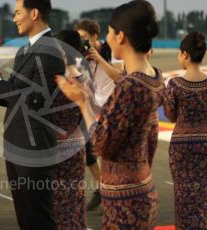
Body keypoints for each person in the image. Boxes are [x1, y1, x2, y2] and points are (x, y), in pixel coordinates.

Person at [56, 0, 163, 228]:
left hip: (125, 200)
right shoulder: (153, 77)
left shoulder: (130, 87)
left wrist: (83, 102)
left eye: (110, 31)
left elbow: (101, 144)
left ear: (121, 36)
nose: (108, 36)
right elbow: (151, 140)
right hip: (142, 185)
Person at [0, 0, 65, 229]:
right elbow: (16, 96)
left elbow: (37, 99)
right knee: (25, 218)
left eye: (17, 13)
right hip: (16, 143)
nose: (13, 18)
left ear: (34, 13)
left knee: (39, 218)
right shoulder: (25, 49)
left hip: (34, 149)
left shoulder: (50, 50)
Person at [75, 18, 124, 211]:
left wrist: (99, 58)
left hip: (113, 109)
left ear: (95, 36)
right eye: (80, 39)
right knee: (90, 153)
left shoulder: (109, 50)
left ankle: (111, 192)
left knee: (110, 155)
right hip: (94, 110)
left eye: (85, 38)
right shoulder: (81, 56)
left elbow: (120, 77)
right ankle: (104, 188)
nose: (83, 43)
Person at [163, 31, 207, 228]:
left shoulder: (174, 84)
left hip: (181, 147)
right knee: (206, 194)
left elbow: (170, 115)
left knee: (183, 195)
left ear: (185, 54)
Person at [52, 29, 93, 229]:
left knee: (56, 203)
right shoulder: (83, 76)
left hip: (55, 146)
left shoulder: (54, 78)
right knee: (75, 200)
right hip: (77, 145)